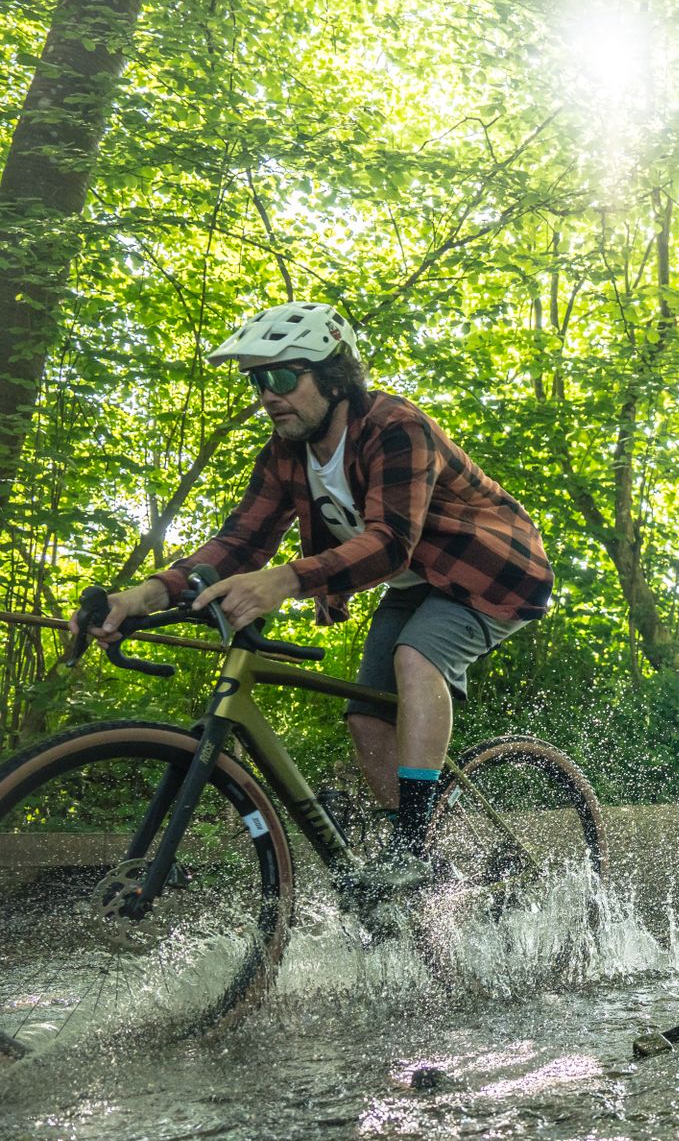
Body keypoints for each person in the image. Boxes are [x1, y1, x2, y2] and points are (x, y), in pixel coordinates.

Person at [76, 301, 553, 885]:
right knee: (365, 718)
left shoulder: (395, 426)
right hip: (414, 584)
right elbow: (239, 543)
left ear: (332, 375)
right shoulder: (285, 455)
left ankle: (411, 844)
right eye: (257, 380)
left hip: (493, 571)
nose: (267, 395)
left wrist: (286, 579)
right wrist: (142, 596)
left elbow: (388, 545)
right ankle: (426, 860)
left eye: (281, 376)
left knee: (416, 656)